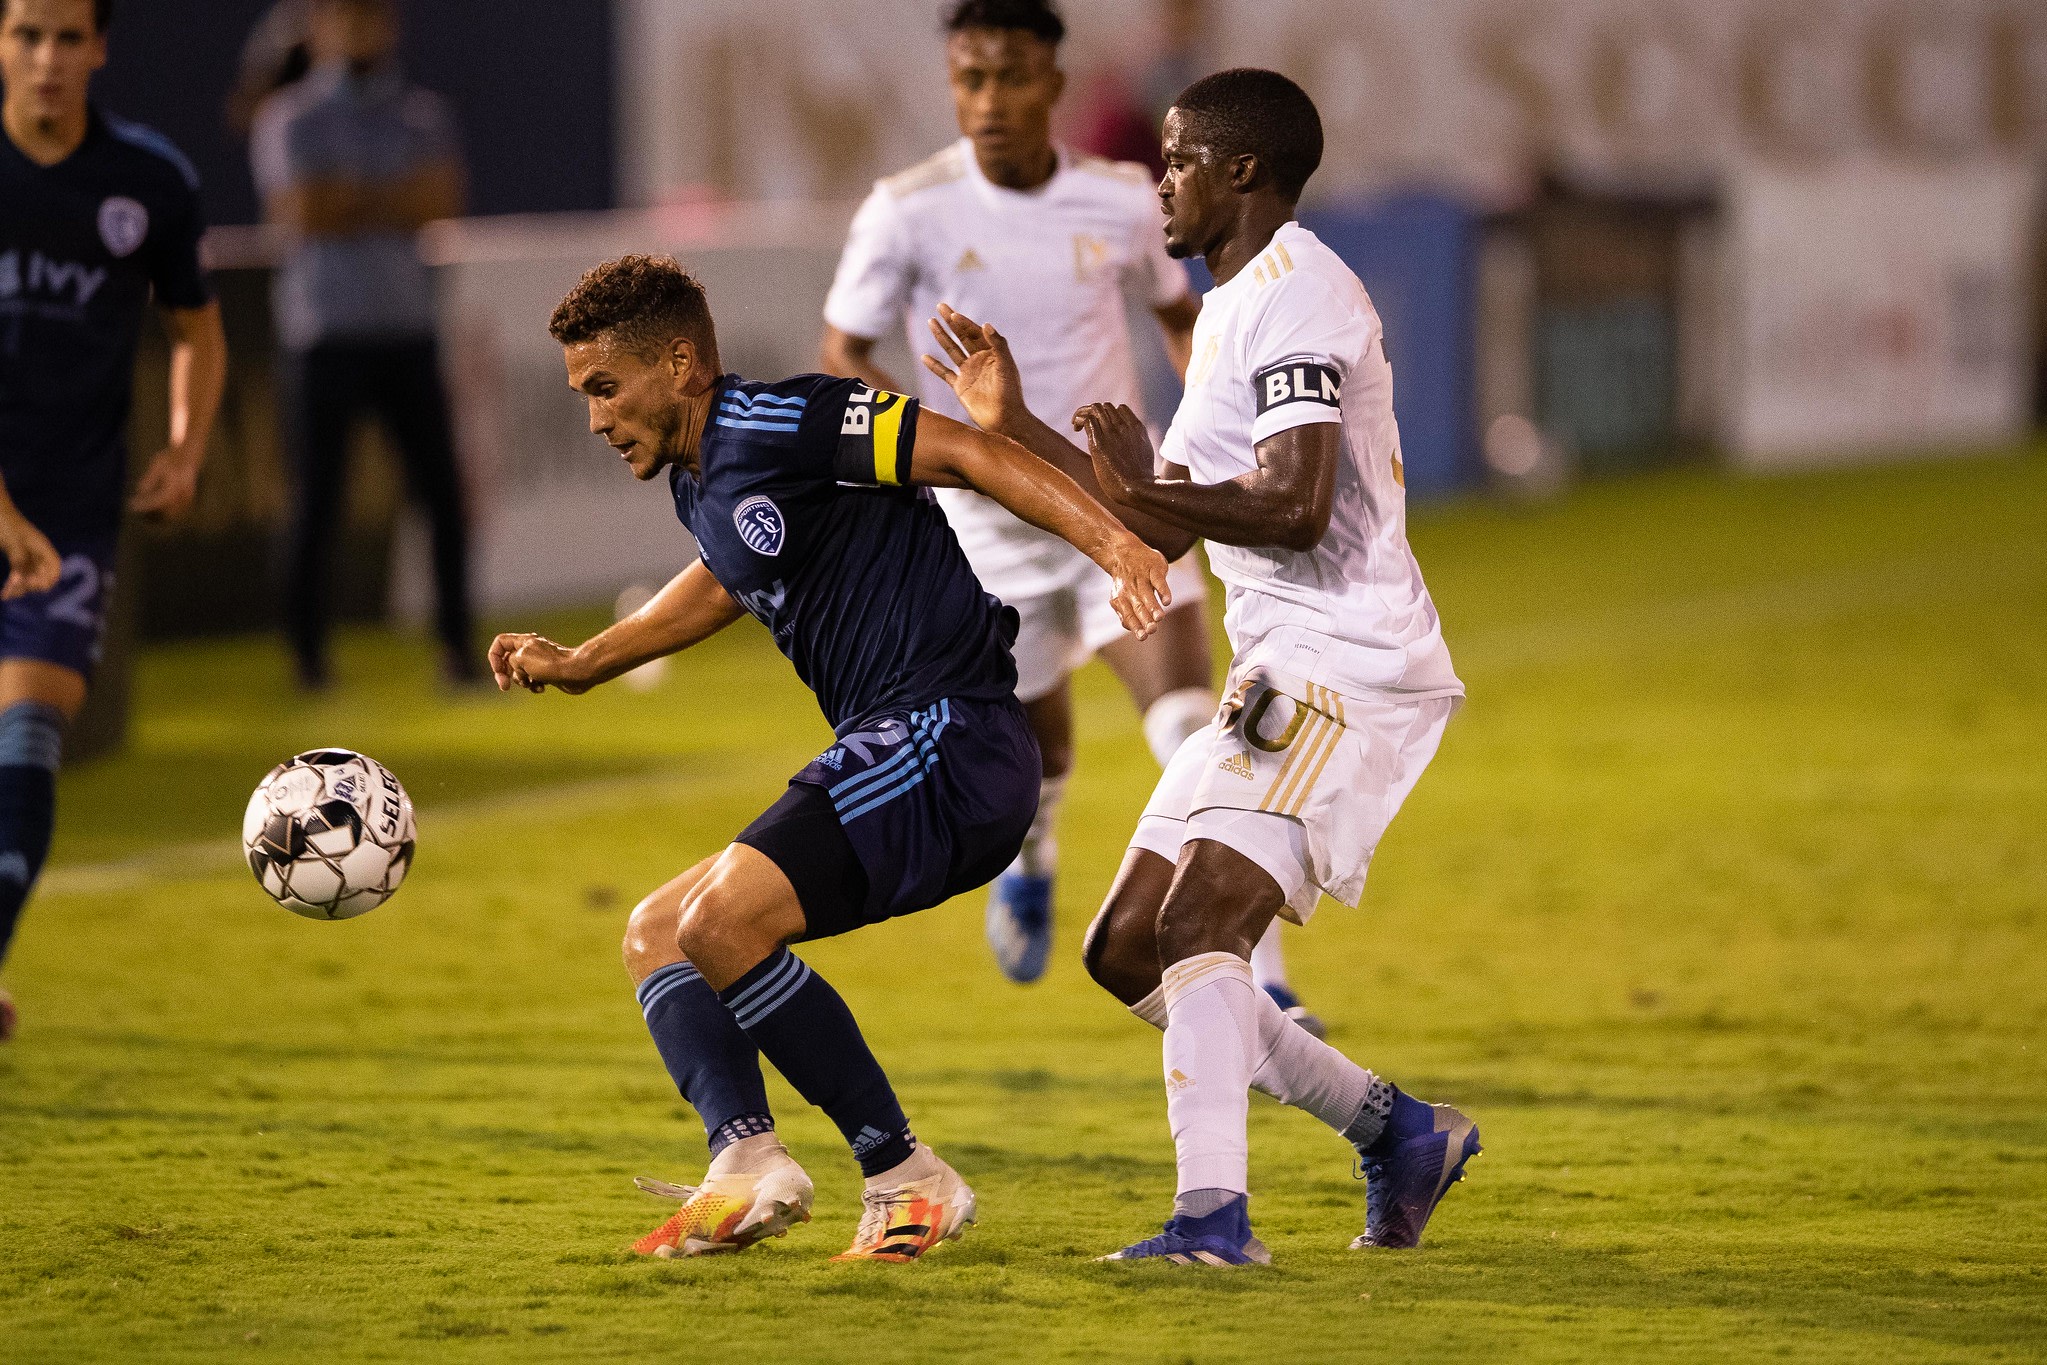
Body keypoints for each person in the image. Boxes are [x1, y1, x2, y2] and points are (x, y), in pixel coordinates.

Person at [489, 255, 1168, 1261]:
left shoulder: (781, 418)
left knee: (723, 922)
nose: (594, 420)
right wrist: (587, 661)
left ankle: (904, 1176)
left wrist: (1114, 546)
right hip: (896, 745)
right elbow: (724, 580)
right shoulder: (701, 475)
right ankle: (746, 1163)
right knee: (659, 935)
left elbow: (968, 454)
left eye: (604, 388)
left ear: (677, 363)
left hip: (952, 736)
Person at [923, 70, 1478, 1264]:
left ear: (1240, 172)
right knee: (1126, 946)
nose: (1157, 179)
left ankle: (1210, 1218)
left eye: (1177, 161)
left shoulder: (1303, 294)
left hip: (1346, 660)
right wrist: (1010, 428)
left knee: (1199, 924)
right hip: (1282, 662)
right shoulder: (1228, 309)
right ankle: (1398, 1133)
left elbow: (1293, 498)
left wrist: (1133, 485)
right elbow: (1166, 524)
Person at [821, 0, 1316, 1025]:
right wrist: (928, 455)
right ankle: (1034, 854)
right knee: (1039, 753)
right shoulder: (905, 210)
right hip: (984, 528)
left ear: (1052, 82)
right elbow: (844, 355)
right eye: (969, 78)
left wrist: (1201, 441)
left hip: (1110, 507)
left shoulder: (1126, 198)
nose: (989, 99)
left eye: (1009, 76)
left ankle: (1265, 983)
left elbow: (1182, 319)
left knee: (1189, 723)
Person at [0, 0, 227, 1041]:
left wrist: (183, 449)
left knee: (31, 736)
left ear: (98, 48)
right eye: (25, 35)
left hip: (70, 516)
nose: (46, 59)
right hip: (13, 511)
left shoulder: (148, 180)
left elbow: (195, 330)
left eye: (65, 37)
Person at [250, 0, 474, 690]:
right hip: (325, 335)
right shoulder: (289, 115)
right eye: (345, 18)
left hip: (406, 330)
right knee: (316, 504)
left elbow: (440, 197)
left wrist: (350, 201)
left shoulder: (423, 113)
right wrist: (390, 199)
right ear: (319, 28)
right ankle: (308, 659)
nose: (359, 31)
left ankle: (458, 652)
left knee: (443, 497)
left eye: (370, 17)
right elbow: (301, 210)